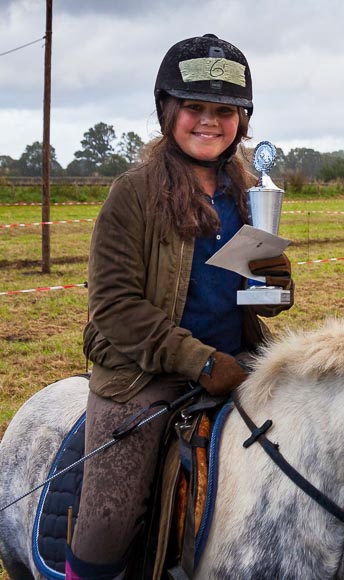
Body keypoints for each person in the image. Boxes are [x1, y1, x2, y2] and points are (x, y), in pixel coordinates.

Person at [71, 34, 294, 579]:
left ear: (242, 120)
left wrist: (277, 286)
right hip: (141, 374)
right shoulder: (132, 194)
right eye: (194, 107)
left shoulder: (248, 194)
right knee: (110, 518)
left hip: (239, 361)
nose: (209, 122)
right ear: (167, 111)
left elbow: (259, 297)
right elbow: (115, 306)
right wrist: (199, 360)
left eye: (225, 110)